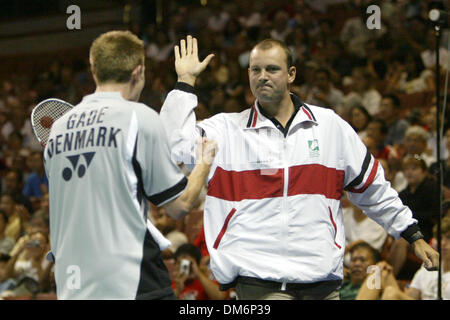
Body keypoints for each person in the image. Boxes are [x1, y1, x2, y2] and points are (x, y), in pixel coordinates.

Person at [160, 36, 439, 300]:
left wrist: (412, 234)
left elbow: (373, 189)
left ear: (291, 74)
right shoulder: (225, 129)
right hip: (259, 279)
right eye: (255, 70)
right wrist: (185, 82)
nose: (262, 76)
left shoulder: (330, 126)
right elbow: (173, 146)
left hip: (323, 279)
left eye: (272, 69)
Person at [43, 31, 217, 300]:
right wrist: (204, 162)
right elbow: (180, 205)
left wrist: (185, 81)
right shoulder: (139, 118)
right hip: (133, 281)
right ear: (138, 72)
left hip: (73, 283)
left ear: (94, 69)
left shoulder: (58, 129)